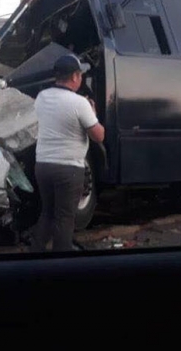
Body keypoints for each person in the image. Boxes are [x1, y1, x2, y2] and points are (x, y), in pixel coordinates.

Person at [31, 54, 105, 252]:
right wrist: (93, 114)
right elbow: (98, 136)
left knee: (47, 213)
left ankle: (34, 253)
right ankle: (61, 262)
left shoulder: (42, 97)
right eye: (80, 75)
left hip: (43, 165)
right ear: (74, 77)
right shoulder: (80, 103)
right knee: (65, 218)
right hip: (69, 169)